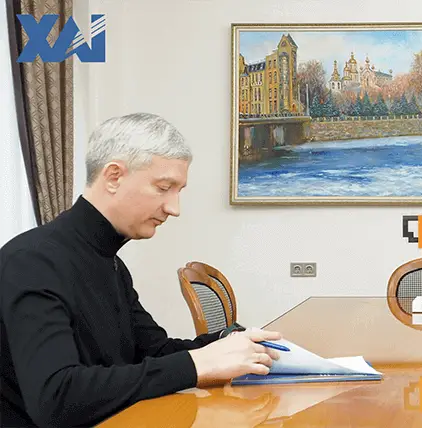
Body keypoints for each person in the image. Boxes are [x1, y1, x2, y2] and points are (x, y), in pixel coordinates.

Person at [0, 113, 282, 427]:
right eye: (164, 187)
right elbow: (56, 397)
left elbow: (154, 352)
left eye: (178, 191)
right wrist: (196, 364)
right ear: (113, 177)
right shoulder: (31, 261)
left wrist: (227, 342)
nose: (174, 208)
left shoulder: (111, 263)